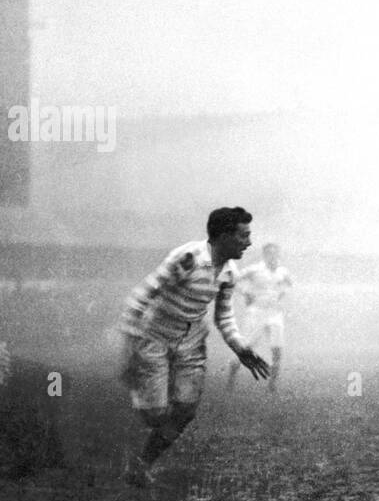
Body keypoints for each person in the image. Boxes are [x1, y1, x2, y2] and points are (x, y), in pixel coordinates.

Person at [119, 207, 270, 485]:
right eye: (243, 236)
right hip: (156, 335)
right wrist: (128, 347)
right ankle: (138, 383)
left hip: (191, 341)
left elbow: (224, 317)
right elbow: (141, 297)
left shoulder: (229, 273)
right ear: (224, 236)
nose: (249, 243)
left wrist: (241, 348)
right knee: (155, 416)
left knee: (185, 412)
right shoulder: (187, 259)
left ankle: (141, 465)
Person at [227, 242, 293, 392]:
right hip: (256, 313)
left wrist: (282, 294)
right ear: (264, 255)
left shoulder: (283, 272)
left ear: (278, 254)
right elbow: (234, 279)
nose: (273, 256)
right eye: (269, 253)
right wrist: (245, 292)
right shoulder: (255, 269)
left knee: (277, 350)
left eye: (275, 253)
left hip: (275, 314)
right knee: (245, 348)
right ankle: (231, 380)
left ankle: (272, 385)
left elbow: (289, 284)